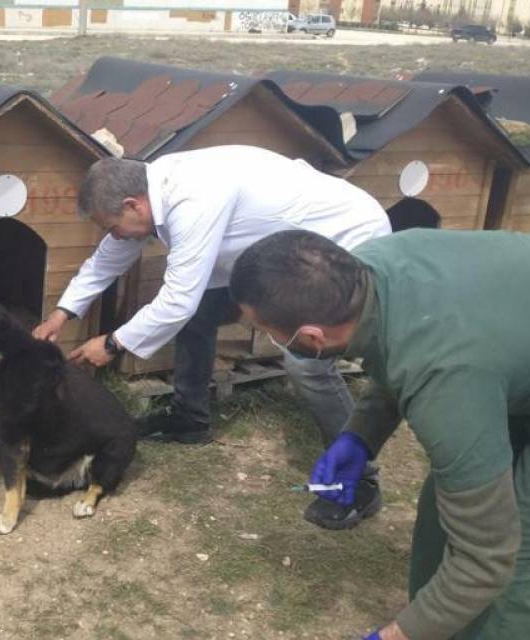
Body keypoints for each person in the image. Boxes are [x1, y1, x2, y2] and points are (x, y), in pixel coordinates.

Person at [229, 229, 530, 640]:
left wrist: (396, 636)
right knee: (443, 516)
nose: (267, 337)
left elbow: (487, 559)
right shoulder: (365, 273)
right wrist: (359, 436)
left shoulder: (448, 382)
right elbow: (403, 348)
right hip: (527, 356)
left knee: (515, 565)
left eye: (267, 330)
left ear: (311, 337)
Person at [31, 146, 391, 529]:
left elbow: (176, 301)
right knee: (198, 312)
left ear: (133, 205)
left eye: (111, 225)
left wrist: (111, 344)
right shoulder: (153, 192)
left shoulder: (193, 199)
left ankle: (359, 481)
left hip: (341, 240)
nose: (113, 235)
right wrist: (62, 313)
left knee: (306, 363)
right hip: (278, 250)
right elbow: (109, 257)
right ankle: (190, 418)